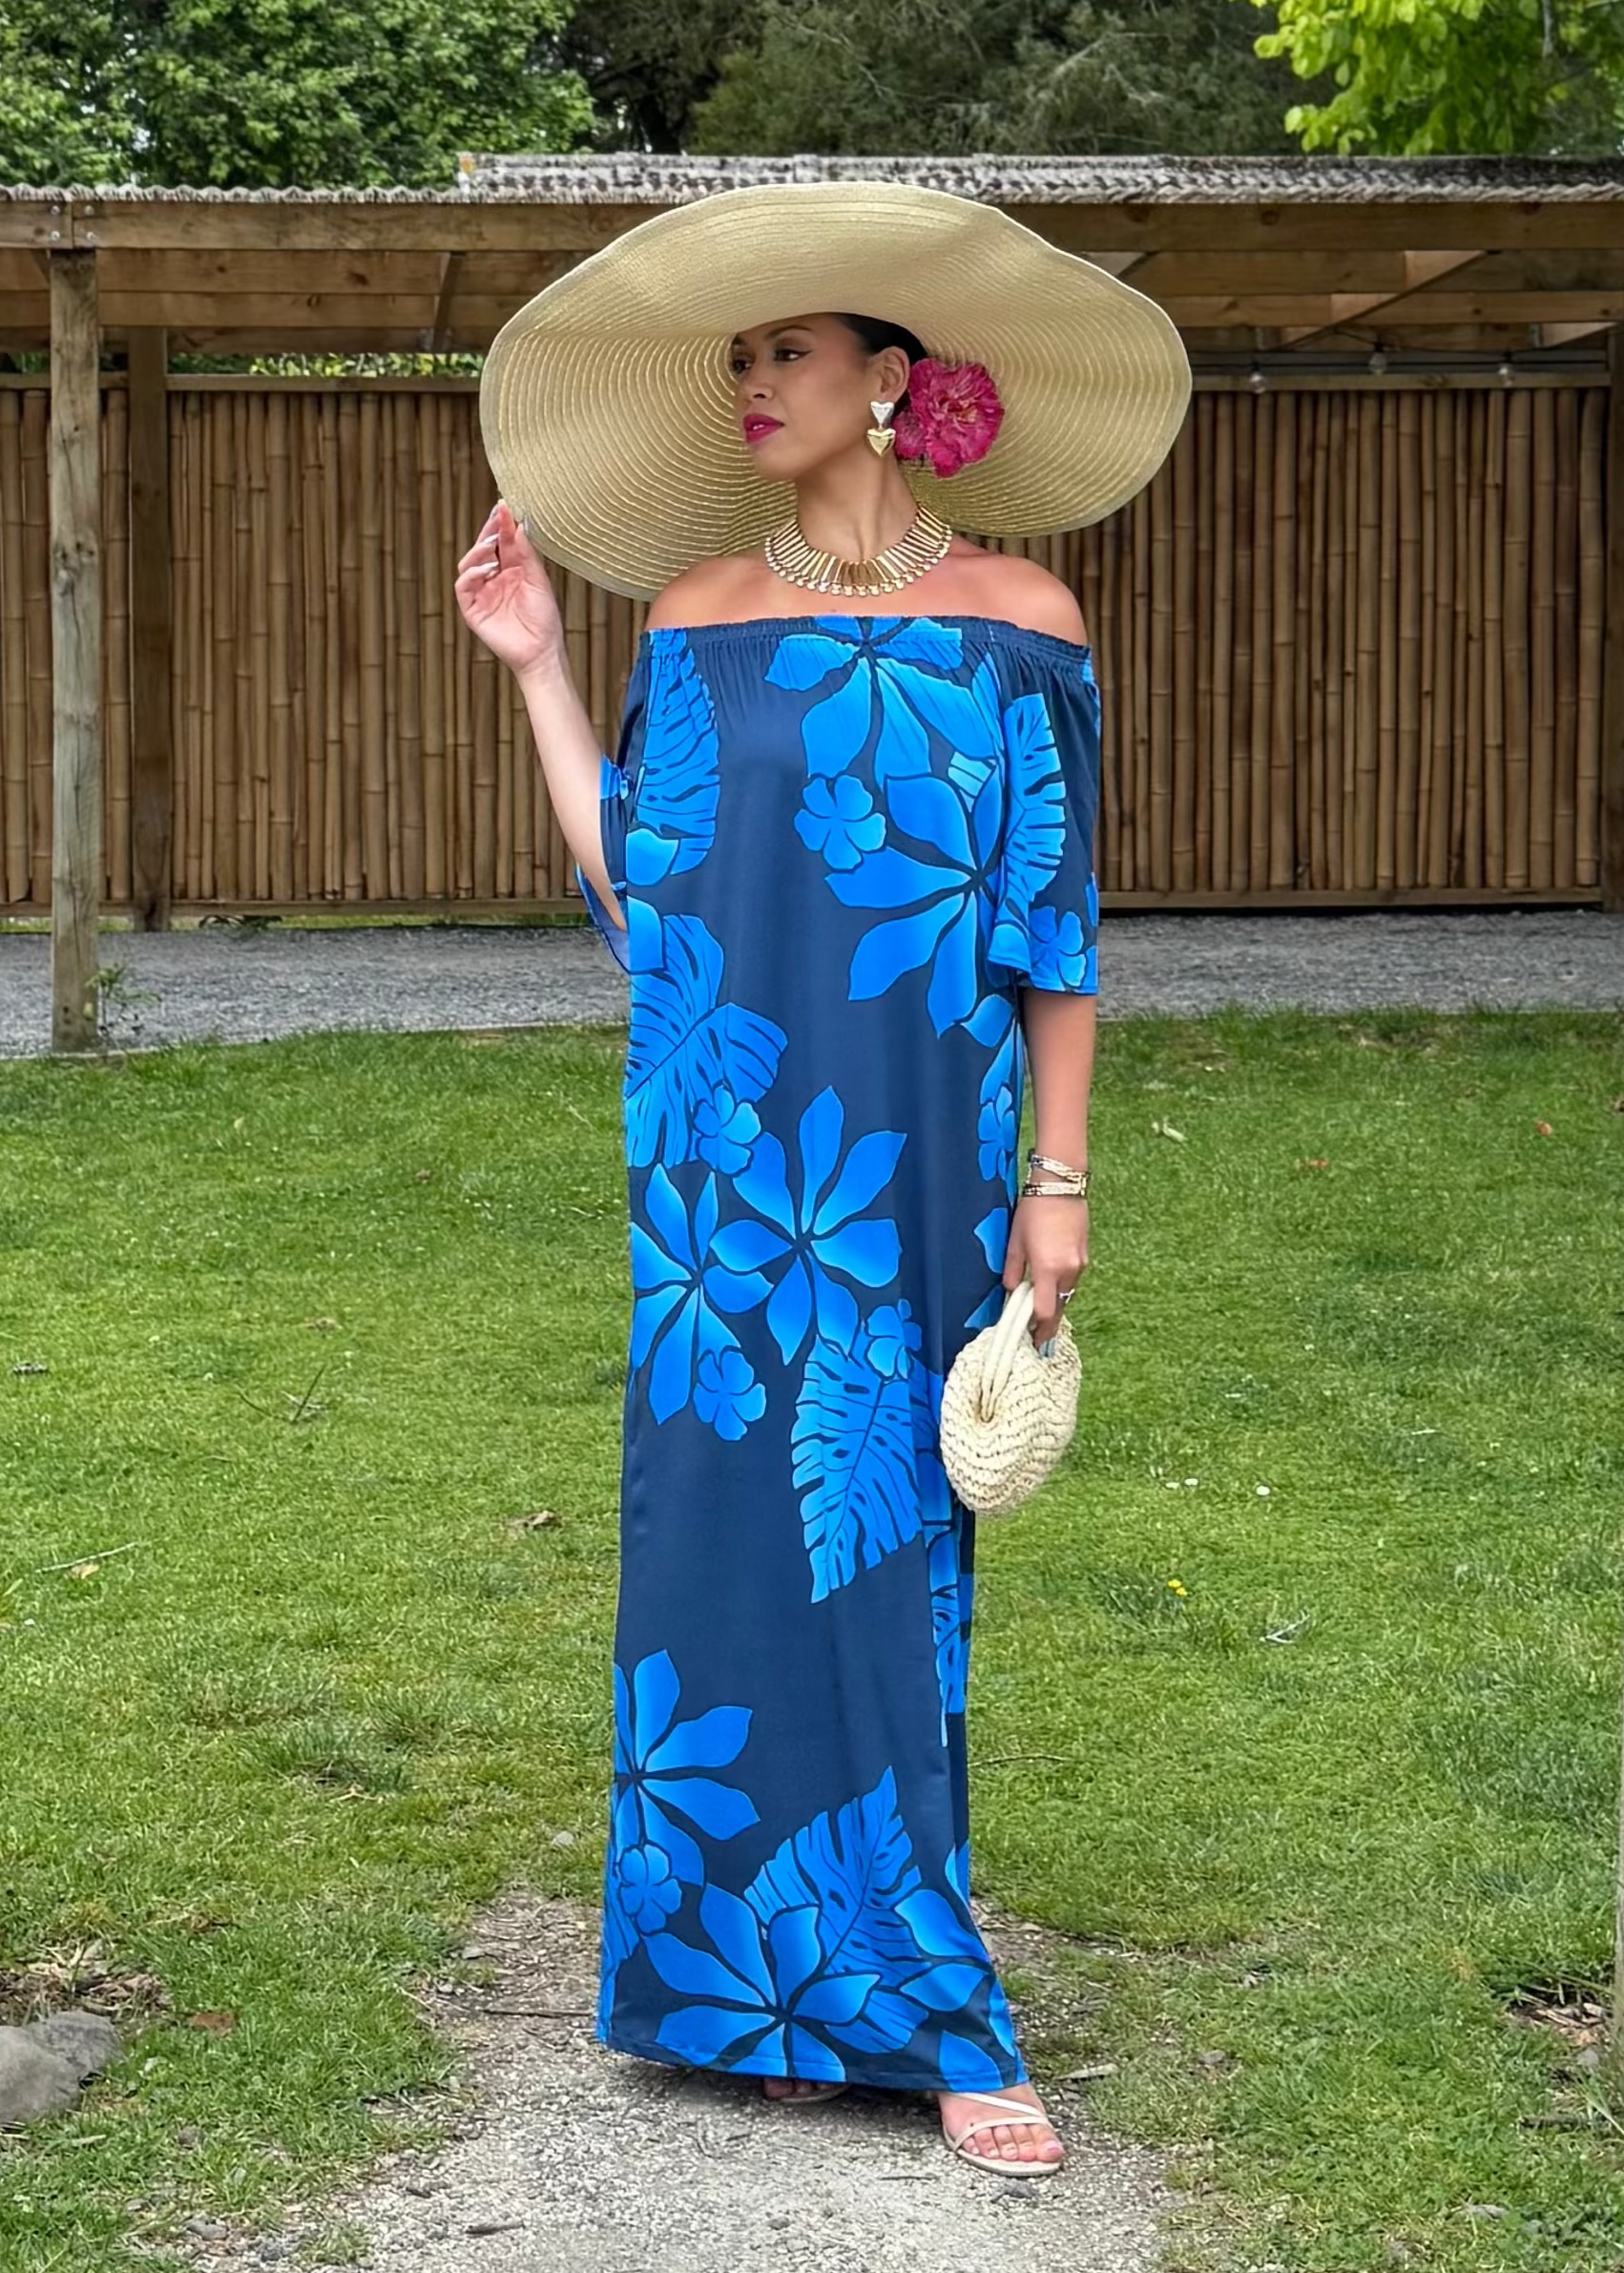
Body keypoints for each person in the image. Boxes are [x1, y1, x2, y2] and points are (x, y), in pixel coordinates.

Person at [455, 180, 1189, 2177]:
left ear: (892, 380)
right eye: (737, 360)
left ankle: (931, 2005)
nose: (749, 384)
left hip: (924, 1160)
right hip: (723, 1171)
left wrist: (1059, 1179)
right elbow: (647, 894)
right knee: (718, 1561)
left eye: (782, 350)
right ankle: (738, 1982)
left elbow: (1056, 932)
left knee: (884, 1558)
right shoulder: (694, 619)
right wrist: (532, 661)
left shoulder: (1023, 626)